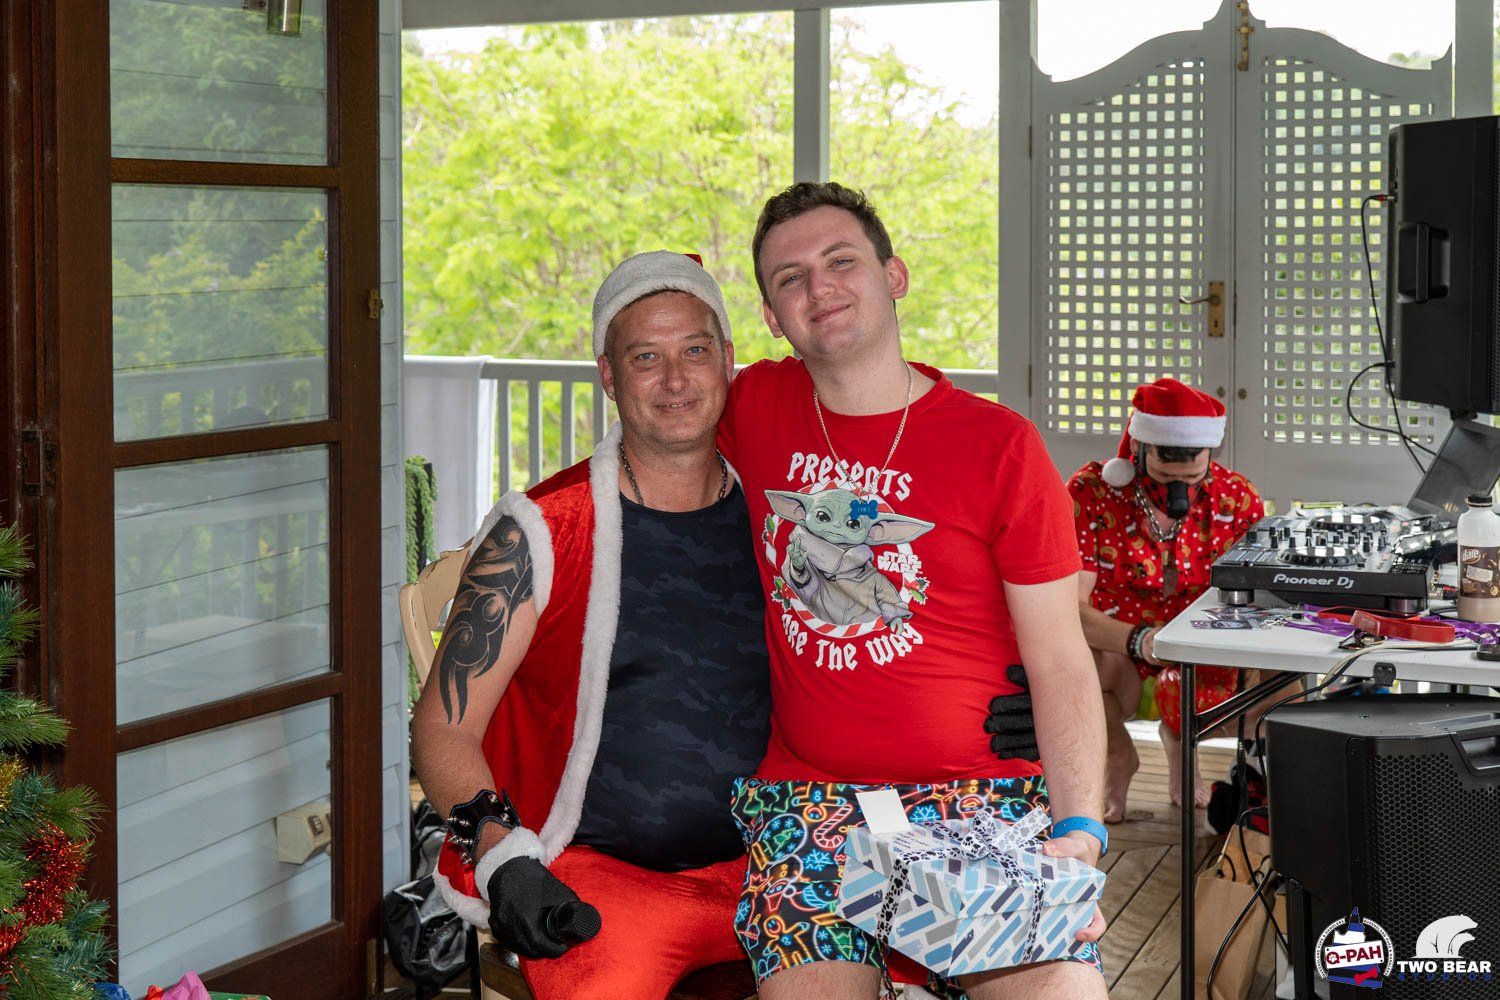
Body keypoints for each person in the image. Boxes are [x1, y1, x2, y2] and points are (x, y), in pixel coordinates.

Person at [410, 250, 1044, 998]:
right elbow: (443, 726)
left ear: (729, 362)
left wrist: (1004, 705)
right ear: (609, 376)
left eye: (695, 351)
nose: (675, 380)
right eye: (646, 357)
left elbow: (896, 626)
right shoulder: (545, 530)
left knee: (1005, 966)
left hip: (793, 857)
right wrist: (503, 857)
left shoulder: (782, 513)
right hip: (609, 881)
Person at [719, 181, 1109, 1000]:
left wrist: (1079, 829)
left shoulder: (998, 446)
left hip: (980, 799)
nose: (819, 288)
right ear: (771, 317)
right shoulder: (753, 406)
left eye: (841, 261)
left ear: (893, 276)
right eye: (789, 278)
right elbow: (657, 392)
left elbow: (1061, 661)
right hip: (812, 803)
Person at [1067, 377, 1264, 823]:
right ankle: (1118, 754)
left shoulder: (1235, 497)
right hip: (1119, 646)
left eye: (1192, 478)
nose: (1179, 490)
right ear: (1138, 450)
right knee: (1067, 659)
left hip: (1202, 651)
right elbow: (1069, 609)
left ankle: (1182, 743)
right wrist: (1141, 640)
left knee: (1282, 682)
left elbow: (1255, 596)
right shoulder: (1090, 492)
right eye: (1165, 477)